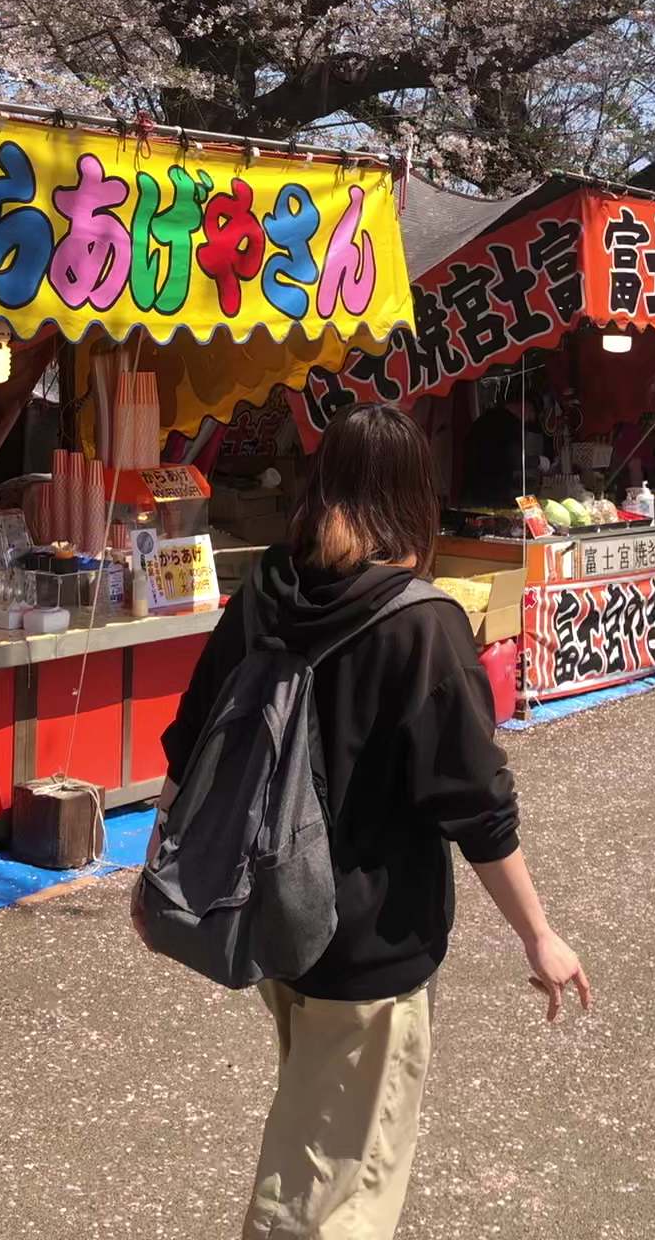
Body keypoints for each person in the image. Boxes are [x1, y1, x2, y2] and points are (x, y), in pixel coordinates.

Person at [132, 404, 590, 1240]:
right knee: (333, 1195)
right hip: (372, 950)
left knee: (315, 1139)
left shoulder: (265, 593)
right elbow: (477, 806)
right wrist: (539, 936)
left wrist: (160, 863)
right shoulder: (423, 624)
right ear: (416, 497)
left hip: (274, 920)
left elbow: (191, 740)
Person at [460, 387, 547, 506]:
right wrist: (539, 461)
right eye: (531, 415)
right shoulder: (511, 425)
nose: (528, 420)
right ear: (525, 407)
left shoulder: (484, 418)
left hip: (471, 492)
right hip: (493, 497)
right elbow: (515, 460)